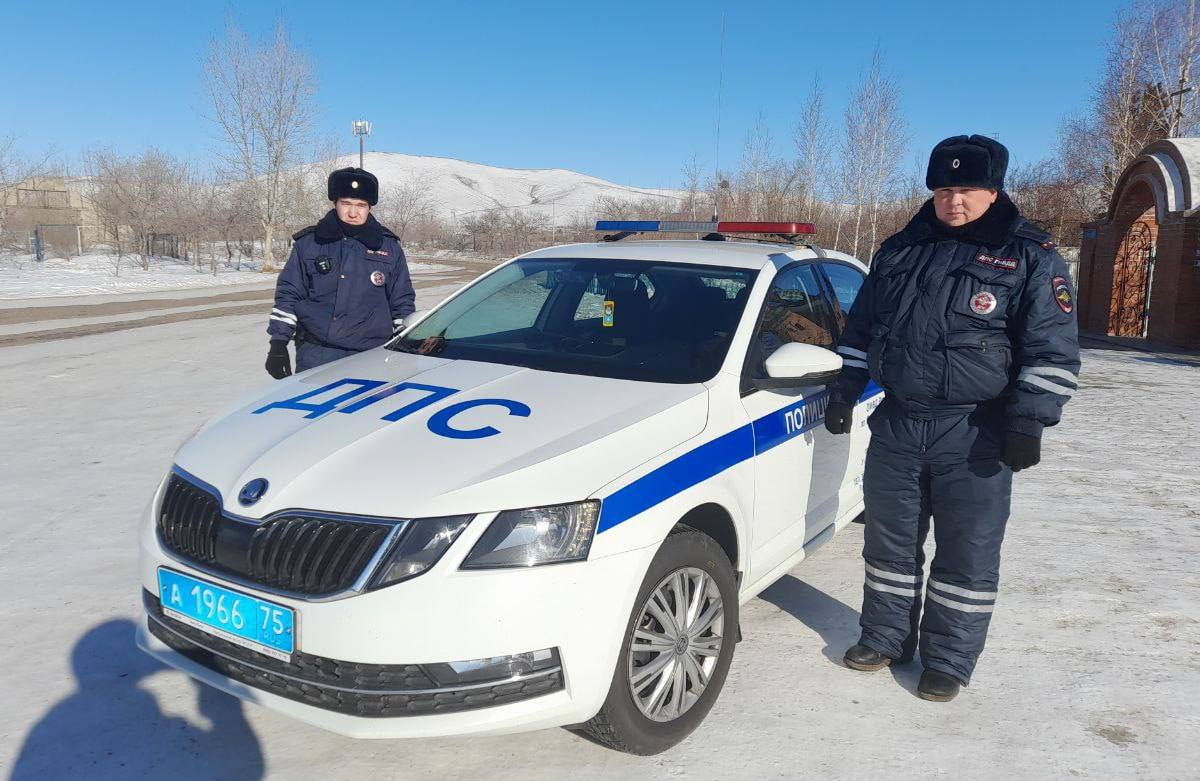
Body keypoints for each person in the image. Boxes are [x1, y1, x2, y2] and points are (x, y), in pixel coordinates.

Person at [823, 135, 1080, 702]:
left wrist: (1028, 423)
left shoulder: (1030, 256)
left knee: (966, 552)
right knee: (889, 546)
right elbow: (861, 332)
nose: (953, 201)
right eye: (943, 189)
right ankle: (886, 638)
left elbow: (1051, 352)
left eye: (965, 189)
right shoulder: (898, 250)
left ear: (993, 190)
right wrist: (845, 390)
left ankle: (949, 658)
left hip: (976, 432)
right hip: (898, 423)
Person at [265, 167, 416, 377]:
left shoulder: (389, 247)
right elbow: (289, 294)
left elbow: (402, 302)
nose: (353, 213)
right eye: (346, 203)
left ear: (369, 207)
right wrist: (278, 343)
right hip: (317, 353)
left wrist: (406, 342)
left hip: (372, 354)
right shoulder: (309, 243)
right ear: (335, 202)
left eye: (361, 205)